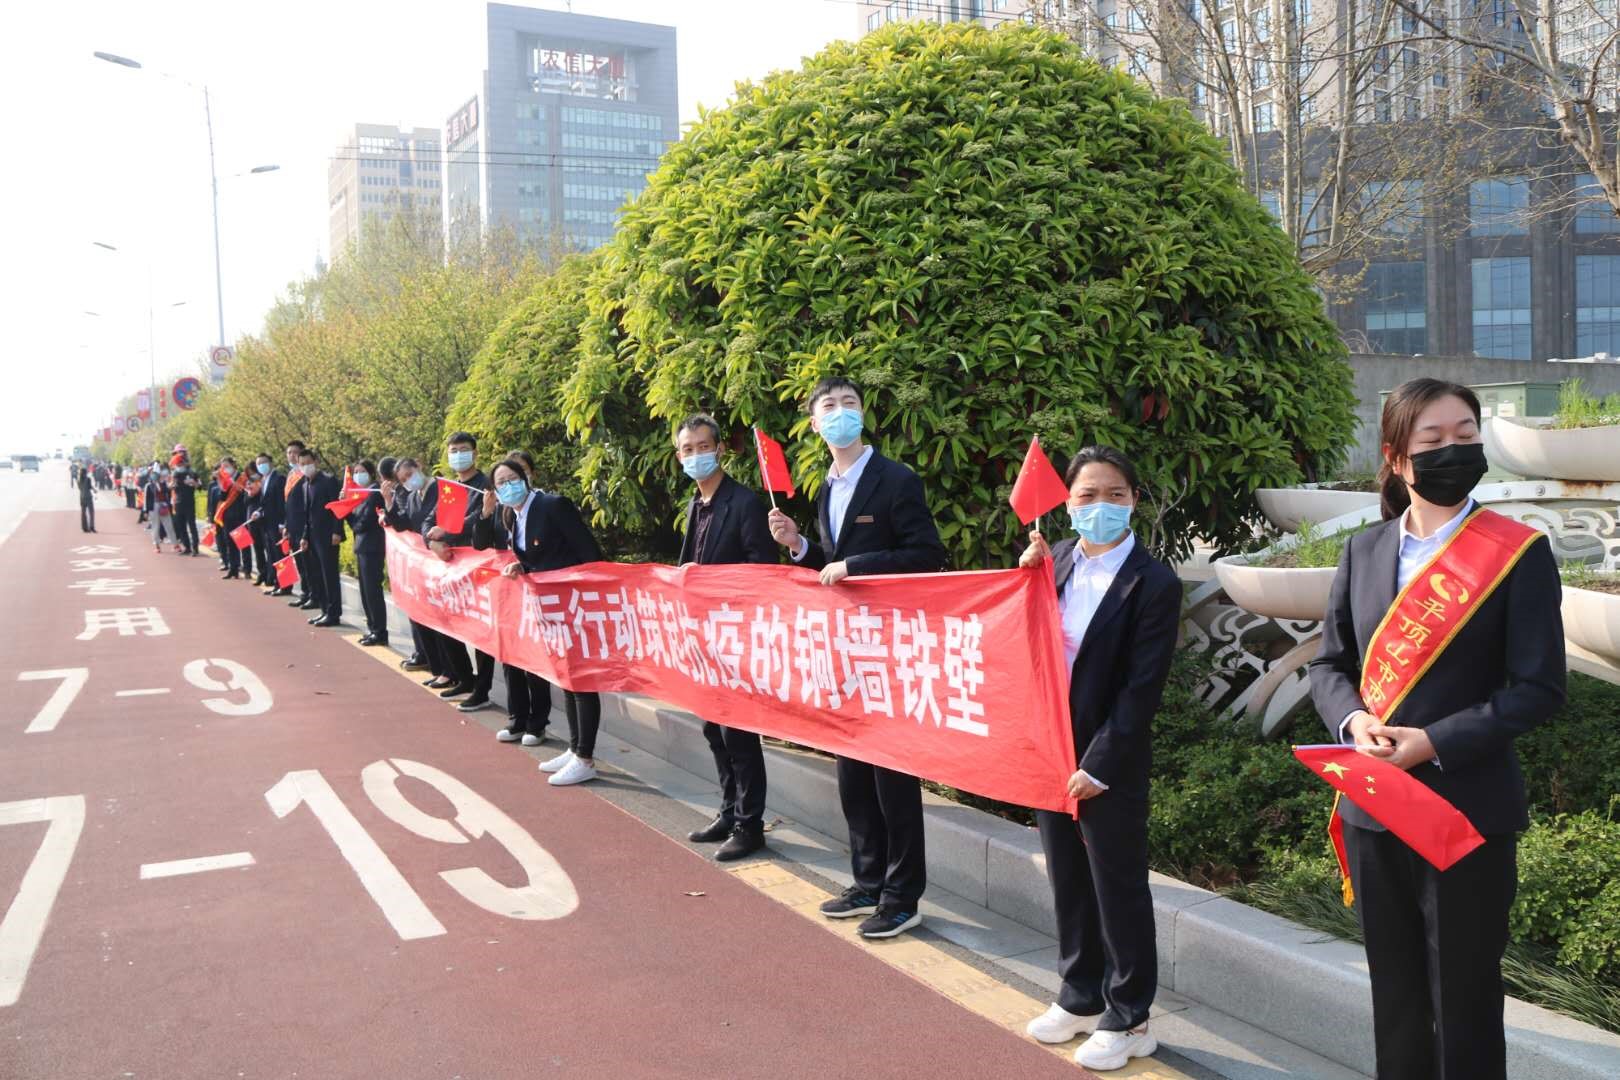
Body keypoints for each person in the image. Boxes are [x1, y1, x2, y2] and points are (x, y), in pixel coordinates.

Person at [1308, 378, 1564, 1080]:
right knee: (1395, 994)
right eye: (1434, 441)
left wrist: (1434, 741)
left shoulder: (1517, 553)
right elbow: (1329, 666)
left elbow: (1540, 689)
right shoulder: (1362, 552)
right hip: (1373, 808)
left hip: (1466, 809)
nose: (1456, 449)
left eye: (1466, 435)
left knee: (1465, 999)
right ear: (1395, 458)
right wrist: (1353, 718)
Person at [1014, 446, 1181, 1071]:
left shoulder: (1154, 582)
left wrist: (1101, 762)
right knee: (1068, 879)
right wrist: (1026, 574)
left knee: (1118, 887)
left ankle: (1130, 1014)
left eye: (1114, 495)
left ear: (1134, 501)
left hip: (1108, 757)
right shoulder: (1052, 560)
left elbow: (1143, 688)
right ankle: (1079, 993)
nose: (1100, 507)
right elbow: (1024, 641)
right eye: (1086, 496)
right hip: (1049, 749)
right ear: (1067, 503)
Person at [766, 376, 946, 939]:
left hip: (889, 647)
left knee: (893, 777)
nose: (840, 413)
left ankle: (901, 896)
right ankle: (867, 881)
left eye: (849, 404)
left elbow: (926, 555)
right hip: (844, 648)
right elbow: (828, 561)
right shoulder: (827, 488)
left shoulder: (896, 479)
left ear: (863, 415)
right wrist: (799, 546)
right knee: (851, 773)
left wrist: (856, 567)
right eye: (829, 407)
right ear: (814, 424)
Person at [671, 414, 779, 861]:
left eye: (703, 446)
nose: (696, 455)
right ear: (680, 457)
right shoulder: (696, 505)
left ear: (720, 449)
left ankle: (750, 825)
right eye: (687, 449)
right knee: (713, 729)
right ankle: (728, 811)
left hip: (735, 638)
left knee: (739, 736)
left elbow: (762, 570)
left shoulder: (745, 503)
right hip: (703, 640)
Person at [473, 456, 605, 786]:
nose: (506, 486)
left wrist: (576, 589)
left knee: (582, 681)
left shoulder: (552, 505)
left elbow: (588, 552)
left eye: (511, 479)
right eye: (499, 483)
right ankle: (575, 749)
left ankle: (586, 757)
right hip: (550, 610)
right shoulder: (511, 514)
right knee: (566, 679)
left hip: (575, 604)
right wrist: (523, 567)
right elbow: (535, 556)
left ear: (526, 478)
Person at [422, 432, 494, 710]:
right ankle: (464, 678)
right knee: (447, 622)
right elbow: (430, 519)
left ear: (475, 454)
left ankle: (483, 689)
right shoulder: (450, 487)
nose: (458, 455)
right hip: (450, 568)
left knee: (480, 630)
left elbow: (480, 517)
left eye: (463, 450)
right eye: (454, 450)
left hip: (478, 567)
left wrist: (447, 533)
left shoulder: (486, 484)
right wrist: (432, 541)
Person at [383, 457, 443, 678]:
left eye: (410, 474)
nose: (409, 481)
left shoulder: (438, 488)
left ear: (419, 466)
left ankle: (450, 671)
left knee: (439, 620)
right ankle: (437, 668)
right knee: (423, 617)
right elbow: (403, 523)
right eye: (404, 479)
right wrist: (389, 502)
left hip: (438, 561)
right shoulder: (412, 497)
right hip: (420, 566)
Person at [294, 447, 344, 627]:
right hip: (313, 537)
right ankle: (324, 610)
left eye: (308, 463)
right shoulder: (305, 484)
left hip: (329, 536)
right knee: (317, 575)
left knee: (329, 575)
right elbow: (307, 514)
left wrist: (337, 531)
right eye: (302, 464)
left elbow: (337, 508)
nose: (306, 466)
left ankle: (334, 613)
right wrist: (304, 536)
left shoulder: (328, 481)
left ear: (316, 462)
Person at [348, 458, 389, 647]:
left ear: (371, 473)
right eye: (355, 471)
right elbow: (356, 524)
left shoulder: (374, 493)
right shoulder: (362, 494)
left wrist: (349, 515)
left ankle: (379, 631)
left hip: (372, 548)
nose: (358, 475)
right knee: (365, 591)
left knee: (373, 591)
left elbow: (363, 523)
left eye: (361, 471)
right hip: (362, 547)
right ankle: (373, 628)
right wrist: (348, 510)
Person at [281, 440, 319, 612]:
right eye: (289, 452)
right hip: (293, 526)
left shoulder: (306, 476)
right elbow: (289, 503)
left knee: (309, 564)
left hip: (305, 526)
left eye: (295, 452)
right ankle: (305, 594)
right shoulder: (291, 474)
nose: (292, 456)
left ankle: (314, 595)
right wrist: (287, 526)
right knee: (300, 563)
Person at [252, 452, 288, 593]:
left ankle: (285, 585)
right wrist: (258, 512)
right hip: (266, 523)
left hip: (276, 524)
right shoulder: (263, 480)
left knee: (280, 555)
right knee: (272, 555)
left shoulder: (278, 479)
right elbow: (265, 503)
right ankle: (278, 584)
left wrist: (282, 523)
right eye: (258, 463)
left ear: (271, 463)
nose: (261, 466)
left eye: (263, 462)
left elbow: (281, 502)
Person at [214, 458, 249, 580]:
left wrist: (235, 484)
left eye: (227, 466)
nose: (225, 469)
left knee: (243, 543)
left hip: (240, 515)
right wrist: (223, 488)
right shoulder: (224, 480)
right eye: (223, 467)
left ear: (233, 465)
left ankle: (247, 569)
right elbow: (222, 498)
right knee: (230, 544)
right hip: (227, 515)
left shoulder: (242, 477)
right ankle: (233, 569)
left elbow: (246, 494)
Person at [170, 446, 201, 556]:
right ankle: (187, 547)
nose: (178, 466)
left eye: (179, 464)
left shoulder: (192, 472)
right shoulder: (174, 474)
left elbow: (200, 486)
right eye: (176, 464)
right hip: (178, 502)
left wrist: (193, 483)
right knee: (181, 526)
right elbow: (171, 486)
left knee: (192, 525)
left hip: (189, 502)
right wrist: (171, 485)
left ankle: (195, 548)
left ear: (184, 462)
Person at [144, 465, 176, 553]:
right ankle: (157, 546)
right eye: (153, 474)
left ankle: (175, 545)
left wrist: (170, 483)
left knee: (169, 525)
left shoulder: (163, 484)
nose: (154, 476)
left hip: (163, 506)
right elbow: (146, 499)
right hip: (153, 508)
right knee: (155, 527)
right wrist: (146, 511)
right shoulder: (149, 485)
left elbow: (167, 490)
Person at [77, 461, 96, 533]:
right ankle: (91, 527)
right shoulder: (88, 479)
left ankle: (84, 527)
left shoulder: (79, 480)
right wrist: (94, 490)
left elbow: (79, 488)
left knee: (83, 513)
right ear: (85, 472)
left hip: (82, 497)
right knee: (91, 512)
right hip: (88, 497)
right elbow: (90, 487)